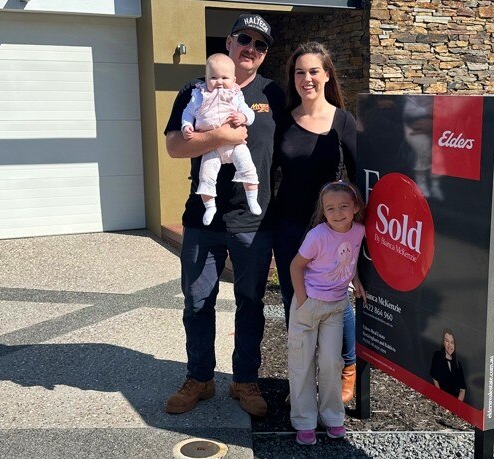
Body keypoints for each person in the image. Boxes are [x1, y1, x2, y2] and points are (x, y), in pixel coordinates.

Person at [163, 13, 284, 417]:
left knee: (250, 303)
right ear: (229, 43)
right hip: (202, 218)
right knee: (197, 302)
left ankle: (245, 380)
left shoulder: (275, 95)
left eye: (260, 44)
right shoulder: (194, 90)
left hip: (254, 221)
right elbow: (175, 147)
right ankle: (200, 378)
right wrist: (223, 137)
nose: (250, 48)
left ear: (264, 54)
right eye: (244, 39)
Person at [272, 42, 359, 403]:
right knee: (300, 306)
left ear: (326, 75)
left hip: (333, 229)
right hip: (290, 227)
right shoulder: (283, 121)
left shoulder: (343, 120)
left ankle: (347, 367)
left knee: (339, 299)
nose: (306, 78)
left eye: (312, 71)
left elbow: (358, 176)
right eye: (299, 72)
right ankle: (303, 383)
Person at [288, 181, 366, 445]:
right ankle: (304, 421)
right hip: (308, 306)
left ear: (355, 207)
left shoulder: (359, 231)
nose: (337, 212)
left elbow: (349, 259)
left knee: (332, 363)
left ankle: (333, 416)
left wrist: (356, 279)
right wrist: (302, 302)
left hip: (335, 307)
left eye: (344, 206)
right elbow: (295, 266)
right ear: (323, 211)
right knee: (302, 363)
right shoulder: (317, 236)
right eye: (330, 208)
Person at [182, 53, 261, 225]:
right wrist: (186, 125)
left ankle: (252, 199)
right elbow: (187, 113)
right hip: (210, 148)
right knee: (206, 176)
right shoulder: (198, 95)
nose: (219, 82)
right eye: (213, 77)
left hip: (236, 145)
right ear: (206, 78)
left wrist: (243, 117)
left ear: (233, 79)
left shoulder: (235, 95)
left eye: (224, 77)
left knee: (248, 167)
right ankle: (210, 206)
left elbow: (249, 113)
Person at [429, 328, 466, 401]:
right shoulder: (437, 356)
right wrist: (441, 399)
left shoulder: (458, 364)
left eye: (452, 342)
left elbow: (462, 389)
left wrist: (456, 404)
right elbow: (435, 379)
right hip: (440, 400)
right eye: (447, 341)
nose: (450, 345)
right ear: (443, 342)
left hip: (455, 403)